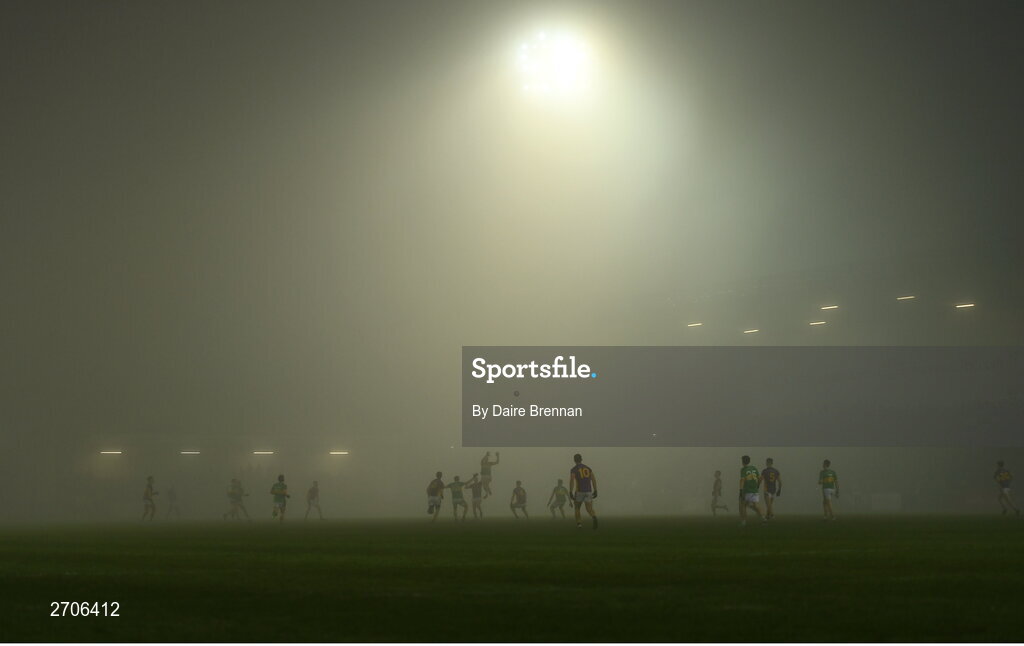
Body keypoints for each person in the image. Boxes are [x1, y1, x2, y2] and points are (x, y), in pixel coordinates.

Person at [569, 453, 598, 530]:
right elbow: (593, 479)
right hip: (588, 491)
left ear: (574, 460)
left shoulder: (574, 469)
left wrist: (570, 491)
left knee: (577, 508)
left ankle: (579, 524)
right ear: (581, 459)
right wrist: (595, 490)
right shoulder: (588, 468)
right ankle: (594, 517)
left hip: (579, 491)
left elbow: (572, 480)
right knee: (589, 509)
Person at [738, 456, 765, 527]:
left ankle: (743, 522)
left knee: (742, 505)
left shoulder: (743, 469)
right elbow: (760, 478)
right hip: (755, 490)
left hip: (747, 490)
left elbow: (742, 480)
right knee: (756, 505)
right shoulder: (754, 468)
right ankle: (763, 518)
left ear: (742, 461)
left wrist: (741, 490)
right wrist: (757, 485)